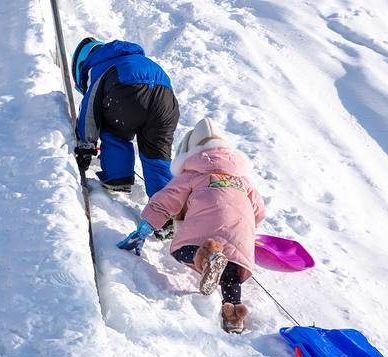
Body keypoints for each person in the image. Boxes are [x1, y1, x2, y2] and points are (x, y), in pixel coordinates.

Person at [117, 118, 265, 333]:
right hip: (240, 231)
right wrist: (246, 231)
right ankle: (233, 314)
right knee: (231, 272)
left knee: (181, 249)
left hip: (206, 230)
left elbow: (165, 200)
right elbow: (259, 211)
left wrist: (145, 228)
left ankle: (206, 258)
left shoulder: (193, 174)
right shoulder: (243, 180)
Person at [71, 37, 180, 201]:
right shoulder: (137, 60)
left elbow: (90, 110)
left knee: (113, 130)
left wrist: (86, 144)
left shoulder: (98, 67)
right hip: (165, 99)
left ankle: (118, 179)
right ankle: (165, 205)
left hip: (127, 91)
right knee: (156, 151)